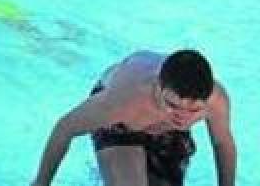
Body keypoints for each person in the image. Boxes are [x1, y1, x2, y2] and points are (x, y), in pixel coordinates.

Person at [30, 49, 236, 186]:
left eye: (194, 111)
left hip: (162, 128)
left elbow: (222, 143)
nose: (182, 118)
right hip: (122, 124)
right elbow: (64, 128)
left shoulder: (216, 101)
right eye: (172, 105)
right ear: (158, 87)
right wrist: (41, 182)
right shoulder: (124, 100)